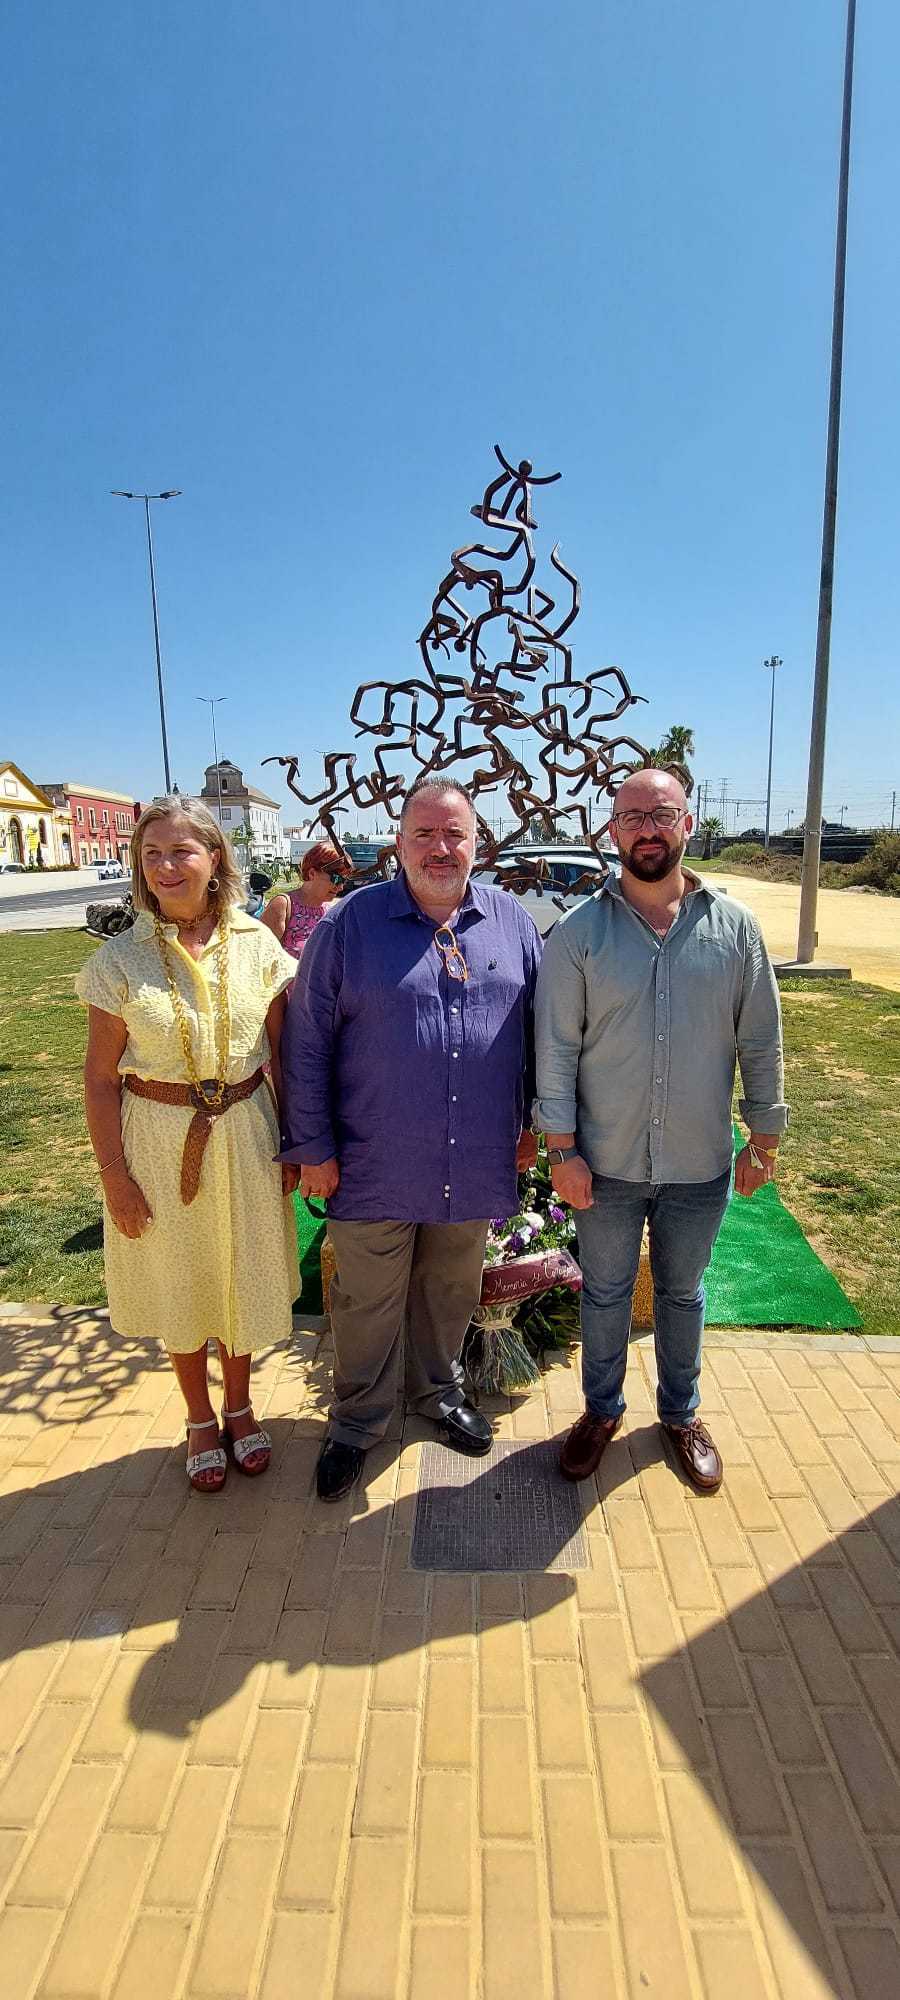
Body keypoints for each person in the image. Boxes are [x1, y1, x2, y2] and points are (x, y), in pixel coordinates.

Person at [279, 775, 542, 1501]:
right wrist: (313, 1147)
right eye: (424, 833)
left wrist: (532, 1124)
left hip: (474, 1154)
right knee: (366, 1298)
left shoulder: (512, 924)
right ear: (397, 844)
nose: (440, 848)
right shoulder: (349, 925)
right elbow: (306, 1040)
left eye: (455, 833)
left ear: (478, 843)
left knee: (450, 1287)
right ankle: (357, 1420)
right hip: (373, 1158)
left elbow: (539, 1033)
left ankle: (437, 1393)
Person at [533, 767, 788, 1493]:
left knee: (682, 1294)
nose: (647, 830)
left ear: (687, 823)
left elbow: (760, 1039)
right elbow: (556, 1047)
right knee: (605, 1294)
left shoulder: (735, 929)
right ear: (611, 830)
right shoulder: (579, 934)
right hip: (604, 1162)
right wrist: (561, 1149)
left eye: (662, 814)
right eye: (632, 817)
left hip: (697, 1162)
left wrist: (764, 1135)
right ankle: (600, 1412)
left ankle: (680, 1415)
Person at [76, 798, 301, 1494]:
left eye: (182, 851)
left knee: (239, 1271)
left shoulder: (258, 945)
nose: (166, 867)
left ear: (214, 858)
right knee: (180, 1277)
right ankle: (199, 1416)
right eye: (152, 854)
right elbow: (99, 1080)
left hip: (247, 1134)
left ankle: (240, 1405)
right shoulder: (120, 960)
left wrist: (296, 1141)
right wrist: (115, 1177)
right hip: (156, 1139)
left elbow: (285, 1056)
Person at [261, 841, 352, 958]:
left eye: (344, 881)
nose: (340, 887)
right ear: (312, 873)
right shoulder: (283, 906)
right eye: (336, 879)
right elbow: (260, 956)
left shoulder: (328, 912)